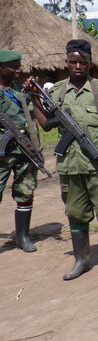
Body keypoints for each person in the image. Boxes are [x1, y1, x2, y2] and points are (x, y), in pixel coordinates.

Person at [26, 39, 98, 281]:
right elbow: (46, 124)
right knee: (75, 213)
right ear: (67, 63)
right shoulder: (57, 91)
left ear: (90, 63)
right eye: (73, 62)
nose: (78, 66)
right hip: (70, 165)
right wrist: (35, 98)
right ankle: (81, 260)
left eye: (83, 62)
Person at [0, 49, 41, 252]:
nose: (18, 70)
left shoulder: (21, 91)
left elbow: (34, 117)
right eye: (13, 67)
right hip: (1, 153)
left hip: (24, 149)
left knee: (25, 190)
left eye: (18, 66)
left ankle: (23, 237)